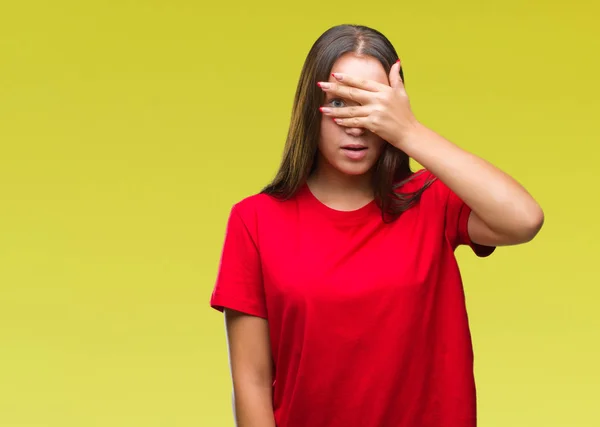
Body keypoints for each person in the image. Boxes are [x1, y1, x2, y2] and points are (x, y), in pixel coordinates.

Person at [209, 24, 544, 427]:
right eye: (339, 103)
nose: (355, 124)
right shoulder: (255, 220)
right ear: (309, 109)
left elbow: (524, 220)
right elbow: (252, 382)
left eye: (371, 106)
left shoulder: (432, 200)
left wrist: (409, 132)